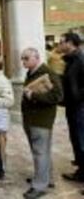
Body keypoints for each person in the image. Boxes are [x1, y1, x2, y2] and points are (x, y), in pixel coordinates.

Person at [21, 47, 62, 199]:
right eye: (22, 58)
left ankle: (39, 186)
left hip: (41, 119)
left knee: (40, 152)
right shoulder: (32, 72)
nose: (23, 61)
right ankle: (46, 179)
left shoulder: (48, 73)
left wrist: (33, 95)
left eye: (26, 58)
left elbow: (58, 96)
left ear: (36, 58)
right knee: (41, 152)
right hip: (31, 118)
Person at [58, 33, 84, 183]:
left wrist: (77, 97)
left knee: (81, 141)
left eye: (61, 42)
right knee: (76, 140)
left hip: (79, 107)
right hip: (72, 106)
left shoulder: (80, 59)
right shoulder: (71, 60)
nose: (59, 45)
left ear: (70, 43)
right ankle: (81, 172)